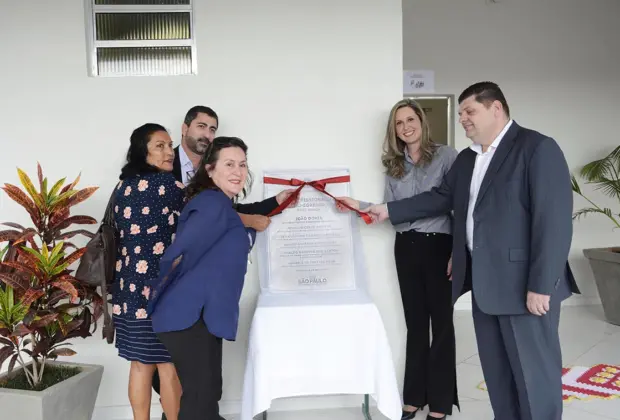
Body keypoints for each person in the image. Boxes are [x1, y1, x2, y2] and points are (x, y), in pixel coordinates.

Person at [363, 82, 580, 420]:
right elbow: (438, 198)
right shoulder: (467, 159)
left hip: (526, 287)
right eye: (461, 112)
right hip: (484, 285)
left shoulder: (536, 148)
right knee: (499, 376)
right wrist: (386, 209)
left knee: (534, 378)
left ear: (496, 109)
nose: (462, 118)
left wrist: (541, 284)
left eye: (469, 111)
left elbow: (553, 224)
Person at [337, 99, 459, 420]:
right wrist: (358, 204)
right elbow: (391, 214)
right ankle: (413, 397)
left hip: (439, 247)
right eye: (399, 123)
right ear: (394, 130)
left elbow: (453, 205)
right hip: (406, 248)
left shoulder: (447, 157)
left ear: (421, 120)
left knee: (442, 327)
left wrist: (458, 253)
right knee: (415, 326)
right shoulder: (395, 167)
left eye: (410, 119)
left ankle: (441, 404)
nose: (406, 127)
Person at [147, 137, 260, 420]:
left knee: (205, 395)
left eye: (242, 165)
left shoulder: (221, 205)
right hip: (190, 315)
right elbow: (177, 254)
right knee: (200, 399)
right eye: (229, 164)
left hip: (203, 316)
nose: (238, 171)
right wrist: (158, 296)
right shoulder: (212, 203)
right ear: (210, 169)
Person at [111, 123, 185, 420]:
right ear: (144, 151)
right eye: (160, 146)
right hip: (160, 289)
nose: (169, 152)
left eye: (170, 145)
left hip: (127, 288)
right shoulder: (171, 187)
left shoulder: (122, 187)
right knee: (168, 365)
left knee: (140, 364)